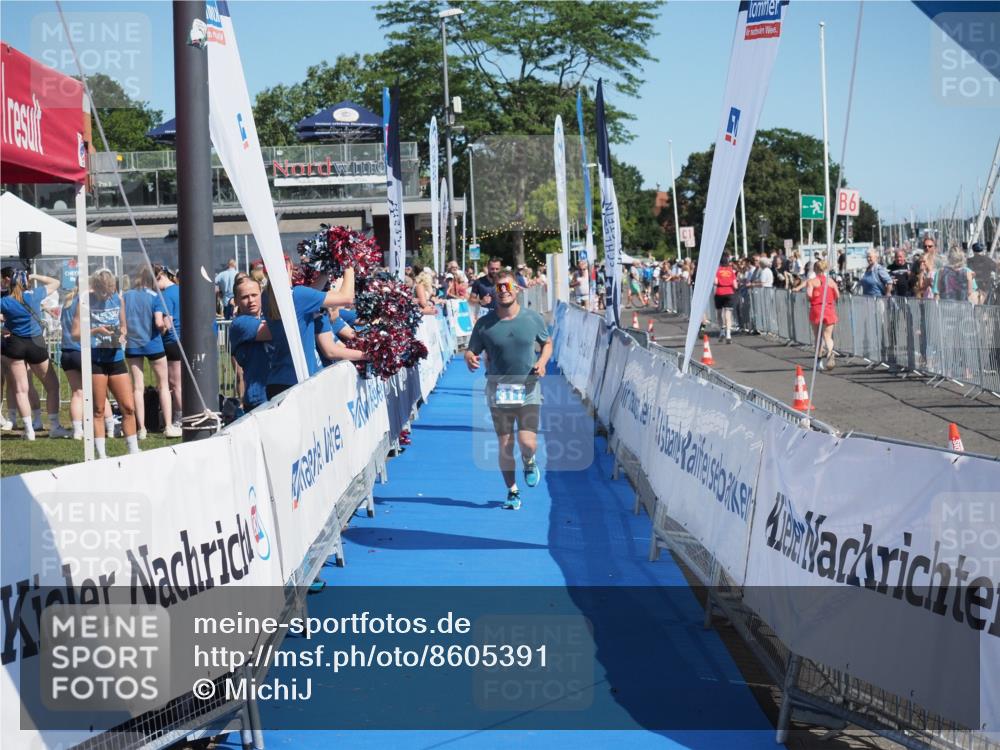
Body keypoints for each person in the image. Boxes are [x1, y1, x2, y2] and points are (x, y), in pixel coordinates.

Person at [465, 270, 552, 511]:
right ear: (493, 292)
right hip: (498, 389)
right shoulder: (484, 324)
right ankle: (512, 491)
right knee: (505, 444)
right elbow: (471, 350)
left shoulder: (532, 318)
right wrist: (469, 357)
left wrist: (542, 362)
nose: (503, 291)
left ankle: (529, 459)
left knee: (527, 442)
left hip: (528, 387)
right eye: (499, 287)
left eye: (508, 286)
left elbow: (546, 343)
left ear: (517, 290)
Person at [264, 259, 355, 399]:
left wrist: (325, 272)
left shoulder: (266, 297)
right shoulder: (298, 295)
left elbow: (310, 294)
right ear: (289, 268)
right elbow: (347, 298)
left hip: (277, 382)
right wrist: (349, 265)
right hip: (298, 383)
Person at [72, 268, 139, 457]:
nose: (107, 295)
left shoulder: (118, 299)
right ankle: (101, 454)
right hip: (96, 359)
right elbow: (75, 334)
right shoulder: (85, 301)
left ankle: (133, 450)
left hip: (115, 356)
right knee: (99, 409)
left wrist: (122, 334)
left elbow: (124, 325)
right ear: (95, 287)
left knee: (128, 407)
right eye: (103, 292)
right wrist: (96, 331)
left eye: (110, 291)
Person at [0, 268, 69, 439]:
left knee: (20, 389)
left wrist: (2, 330)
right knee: (52, 386)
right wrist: (35, 275)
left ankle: (29, 430)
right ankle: (54, 425)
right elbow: (56, 282)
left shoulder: (5, 301)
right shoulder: (35, 295)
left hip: (15, 344)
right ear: (26, 282)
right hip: (36, 343)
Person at [124, 267, 180, 439]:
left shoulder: (126, 296)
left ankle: (141, 428)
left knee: (137, 387)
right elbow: (160, 323)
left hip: (133, 345)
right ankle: (168, 426)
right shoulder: (156, 297)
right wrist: (164, 330)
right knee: (163, 386)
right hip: (153, 344)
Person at [155, 265, 183, 430]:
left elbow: (166, 322)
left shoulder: (165, 295)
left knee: (175, 383)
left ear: (160, 277)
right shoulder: (181, 290)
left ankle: (180, 417)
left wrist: (161, 330)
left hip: (172, 341)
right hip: (185, 340)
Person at [806, 259, 839, 371]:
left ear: (815, 269)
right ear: (825, 269)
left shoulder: (811, 282)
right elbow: (837, 295)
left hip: (817, 309)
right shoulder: (831, 282)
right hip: (828, 308)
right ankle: (830, 352)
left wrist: (813, 296)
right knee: (828, 336)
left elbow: (809, 295)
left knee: (818, 337)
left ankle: (819, 362)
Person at [713, 254, 738, 343]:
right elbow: (735, 285)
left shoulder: (717, 270)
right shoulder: (731, 271)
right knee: (728, 314)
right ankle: (728, 334)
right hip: (729, 292)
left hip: (719, 292)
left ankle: (722, 330)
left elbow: (715, 282)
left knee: (719, 313)